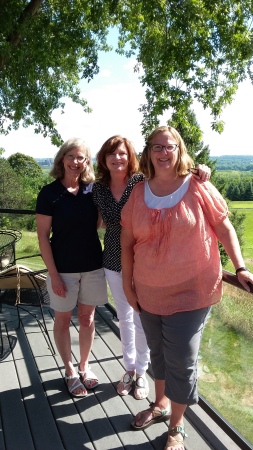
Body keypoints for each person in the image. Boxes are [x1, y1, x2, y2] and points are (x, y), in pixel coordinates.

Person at [120, 126, 253, 450]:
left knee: (182, 359)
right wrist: (128, 286)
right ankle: (161, 404)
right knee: (160, 355)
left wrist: (240, 267)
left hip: (192, 292)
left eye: (170, 147)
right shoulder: (138, 192)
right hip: (148, 293)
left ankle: (177, 428)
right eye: (157, 148)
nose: (164, 153)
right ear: (149, 153)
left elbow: (224, 227)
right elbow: (126, 242)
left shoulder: (197, 186)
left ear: (179, 150)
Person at [93, 134, 211, 400]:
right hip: (113, 258)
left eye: (122, 153)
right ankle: (129, 370)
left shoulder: (139, 181)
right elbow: (94, 219)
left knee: (141, 320)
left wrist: (201, 171)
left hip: (145, 261)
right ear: (104, 159)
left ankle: (142, 373)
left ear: (131, 156)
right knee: (124, 317)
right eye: (112, 154)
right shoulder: (99, 188)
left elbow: (172, 176)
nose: (117, 158)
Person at [36, 138, 108, 398]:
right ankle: (69, 370)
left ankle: (84, 366)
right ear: (62, 159)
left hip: (92, 266)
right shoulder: (49, 193)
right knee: (63, 319)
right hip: (63, 269)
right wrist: (53, 275)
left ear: (87, 162)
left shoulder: (93, 191)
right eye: (72, 157)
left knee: (88, 318)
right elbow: (43, 236)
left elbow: (102, 222)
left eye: (82, 158)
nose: (76, 162)